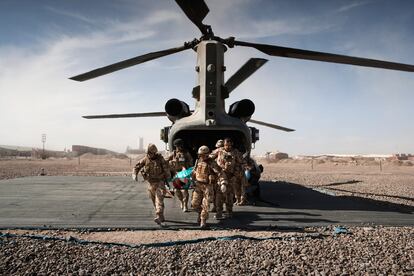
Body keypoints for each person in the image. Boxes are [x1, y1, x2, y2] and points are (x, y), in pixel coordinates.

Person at [132, 143, 171, 225]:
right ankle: (161, 215)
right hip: (150, 184)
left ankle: (159, 216)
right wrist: (134, 174)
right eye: (147, 153)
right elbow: (137, 166)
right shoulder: (145, 159)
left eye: (150, 153)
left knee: (159, 200)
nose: (148, 155)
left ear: (154, 153)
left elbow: (167, 170)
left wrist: (168, 180)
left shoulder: (161, 160)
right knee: (154, 201)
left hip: (160, 183)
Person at [191, 145, 226, 228]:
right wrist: (192, 177)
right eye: (200, 155)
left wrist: (223, 182)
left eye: (202, 155)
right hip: (198, 185)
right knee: (194, 204)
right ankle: (200, 214)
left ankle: (203, 220)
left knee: (205, 205)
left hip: (208, 186)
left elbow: (220, 172)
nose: (201, 156)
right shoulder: (198, 161)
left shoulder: (211, 163)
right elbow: (195, 172)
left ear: (207, 154)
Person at [211, 138, 245, 217]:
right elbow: (209, 158)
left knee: (229, 196)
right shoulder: (219, 151)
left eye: (229, 145)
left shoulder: (235, 152)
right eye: (226, 145)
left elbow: (242, 163)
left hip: (231, 177)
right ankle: (219, 212)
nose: (228, 147)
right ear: (224, 144)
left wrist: (237, 171)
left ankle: (229, 212)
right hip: (220, 176)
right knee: (219, 195)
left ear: (232, 145)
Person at [167, 138, 193, 212]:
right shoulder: (173, 153)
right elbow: (166, 160)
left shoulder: (186, 153)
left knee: (185, 191)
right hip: (176, 174)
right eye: (177, 146)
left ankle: (185, 205)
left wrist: (189, 171)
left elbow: (190, 163)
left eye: (180, 146)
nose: (179, 148)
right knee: (177, 191)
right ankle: (181, 201)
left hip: (184, 174)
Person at [209, 139, 224, 212]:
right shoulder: (226, 152)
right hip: (219, 174)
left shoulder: (218, 151)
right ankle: (217, 207)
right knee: (217, 193)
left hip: (219, 174)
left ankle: (218, 208)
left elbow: (209, 157)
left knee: (217, 193)